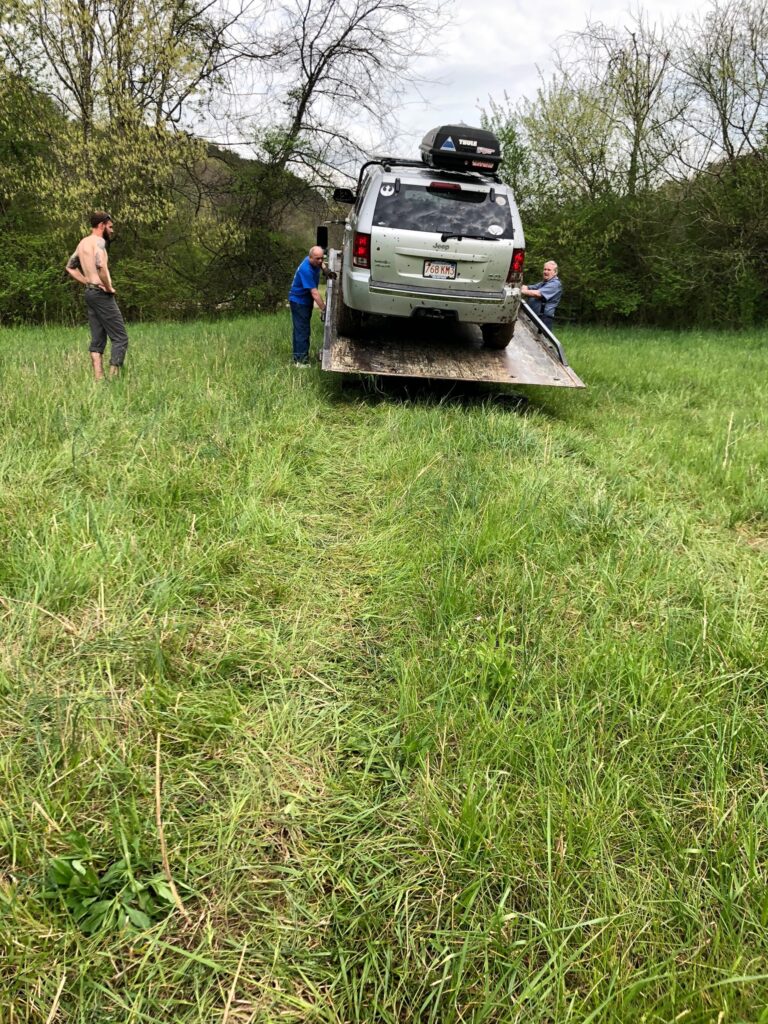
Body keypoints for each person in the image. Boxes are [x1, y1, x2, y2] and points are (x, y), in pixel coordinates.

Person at [65, 211, 129, 379]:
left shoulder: (83, 243)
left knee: (98, 338)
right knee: (120, 338)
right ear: (101, 225)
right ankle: (114, 379)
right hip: (101, 294)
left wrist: (87, 281)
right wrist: (108, 287)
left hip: (90, 293)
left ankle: (99, 379)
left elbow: (70, 267)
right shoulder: (99, 242)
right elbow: (100, 265)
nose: (112, 230)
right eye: (110, 227)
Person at [288, 246, 335, 366]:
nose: (320, 261)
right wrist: (325, 308)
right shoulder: (306, 270)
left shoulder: (315, 262)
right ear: (310, 258)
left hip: (305, 300)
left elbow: (321, 263)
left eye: (322, 258)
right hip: (299, 302)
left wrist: (325, 269)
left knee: (300, 330)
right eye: (317, 259)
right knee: (302, 331)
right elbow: (314, 293)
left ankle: (297, 358)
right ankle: (301, 362)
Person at [521, 260, 562, 331]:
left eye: (549, 270)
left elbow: (538, 294)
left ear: (555, 272)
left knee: (541, 338)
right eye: (545, 269)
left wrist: (520, 291)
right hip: (535, 317)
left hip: (543, 319)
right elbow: (528, 287)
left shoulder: (555, 284)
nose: (545, 272)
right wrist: (515, 286)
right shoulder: (544, 283)